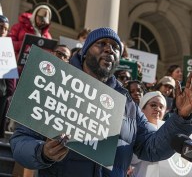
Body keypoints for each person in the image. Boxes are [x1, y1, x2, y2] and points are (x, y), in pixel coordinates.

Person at [10, 27, 192, 177]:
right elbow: (20, 141)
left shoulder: (127, 104)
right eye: (101, 44)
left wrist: (181, 118)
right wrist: (43, 152)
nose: (109, 49)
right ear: (85, 51)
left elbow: (152, 148)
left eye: (115, 47)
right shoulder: (56, 85)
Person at [130, 91, 167, 177]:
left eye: (161, 107)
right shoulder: (133, 129)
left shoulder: (170, 133)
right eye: (153, 105)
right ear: (142, 108)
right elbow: (132, 160)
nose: (157, 109)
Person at [0, 15, 16, 138]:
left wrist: (10, 92)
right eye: (0, 27)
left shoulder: (7, 48)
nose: (3, 31)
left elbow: (11, 76)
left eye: (5, 29)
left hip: (2, 94)